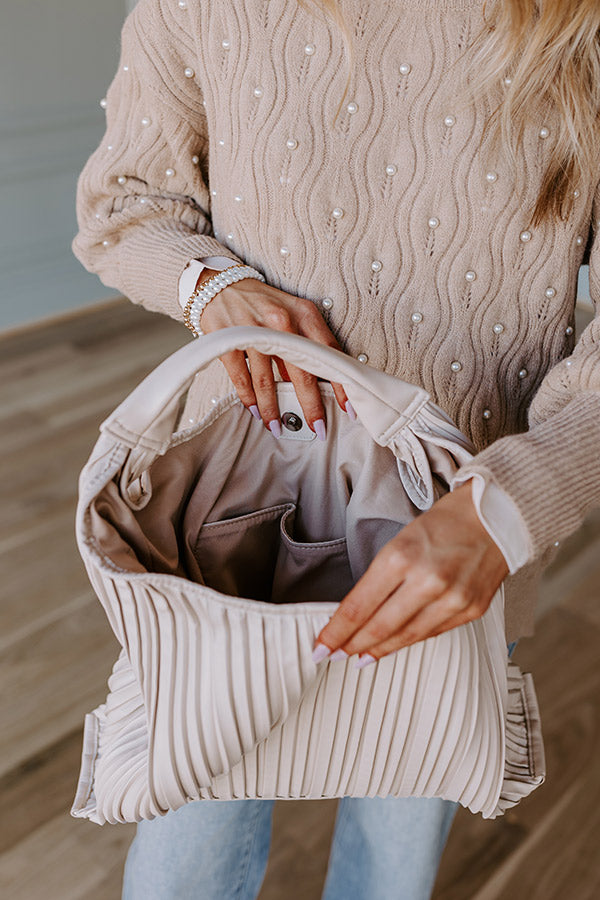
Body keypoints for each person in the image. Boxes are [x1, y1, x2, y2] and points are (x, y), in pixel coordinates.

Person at [72, 0, 600, 896]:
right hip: (232, 515)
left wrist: (516, 501)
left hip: (460, 527)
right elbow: (124, 203)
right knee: (188, 849)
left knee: (395, 861)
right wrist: (215, 288)